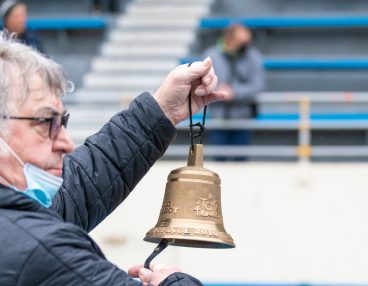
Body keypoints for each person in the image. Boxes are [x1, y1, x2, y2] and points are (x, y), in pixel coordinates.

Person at [0, 33, 226, 285]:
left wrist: (163, 110)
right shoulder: (40, 252)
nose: (66, 143)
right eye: (46, 122)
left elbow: (78, 190)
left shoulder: (18, 225)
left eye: (61, 122)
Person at [203, 23, 265, 161]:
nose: (245, 45)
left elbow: (257, 85)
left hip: (242, 117)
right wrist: (219, 90)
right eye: (241, 41)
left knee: (240, 161)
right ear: (229, 38)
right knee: (218, 162)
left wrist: (234, 93)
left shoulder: (253, 57)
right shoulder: (211, 56)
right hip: (218, 117)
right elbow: (203, 82)